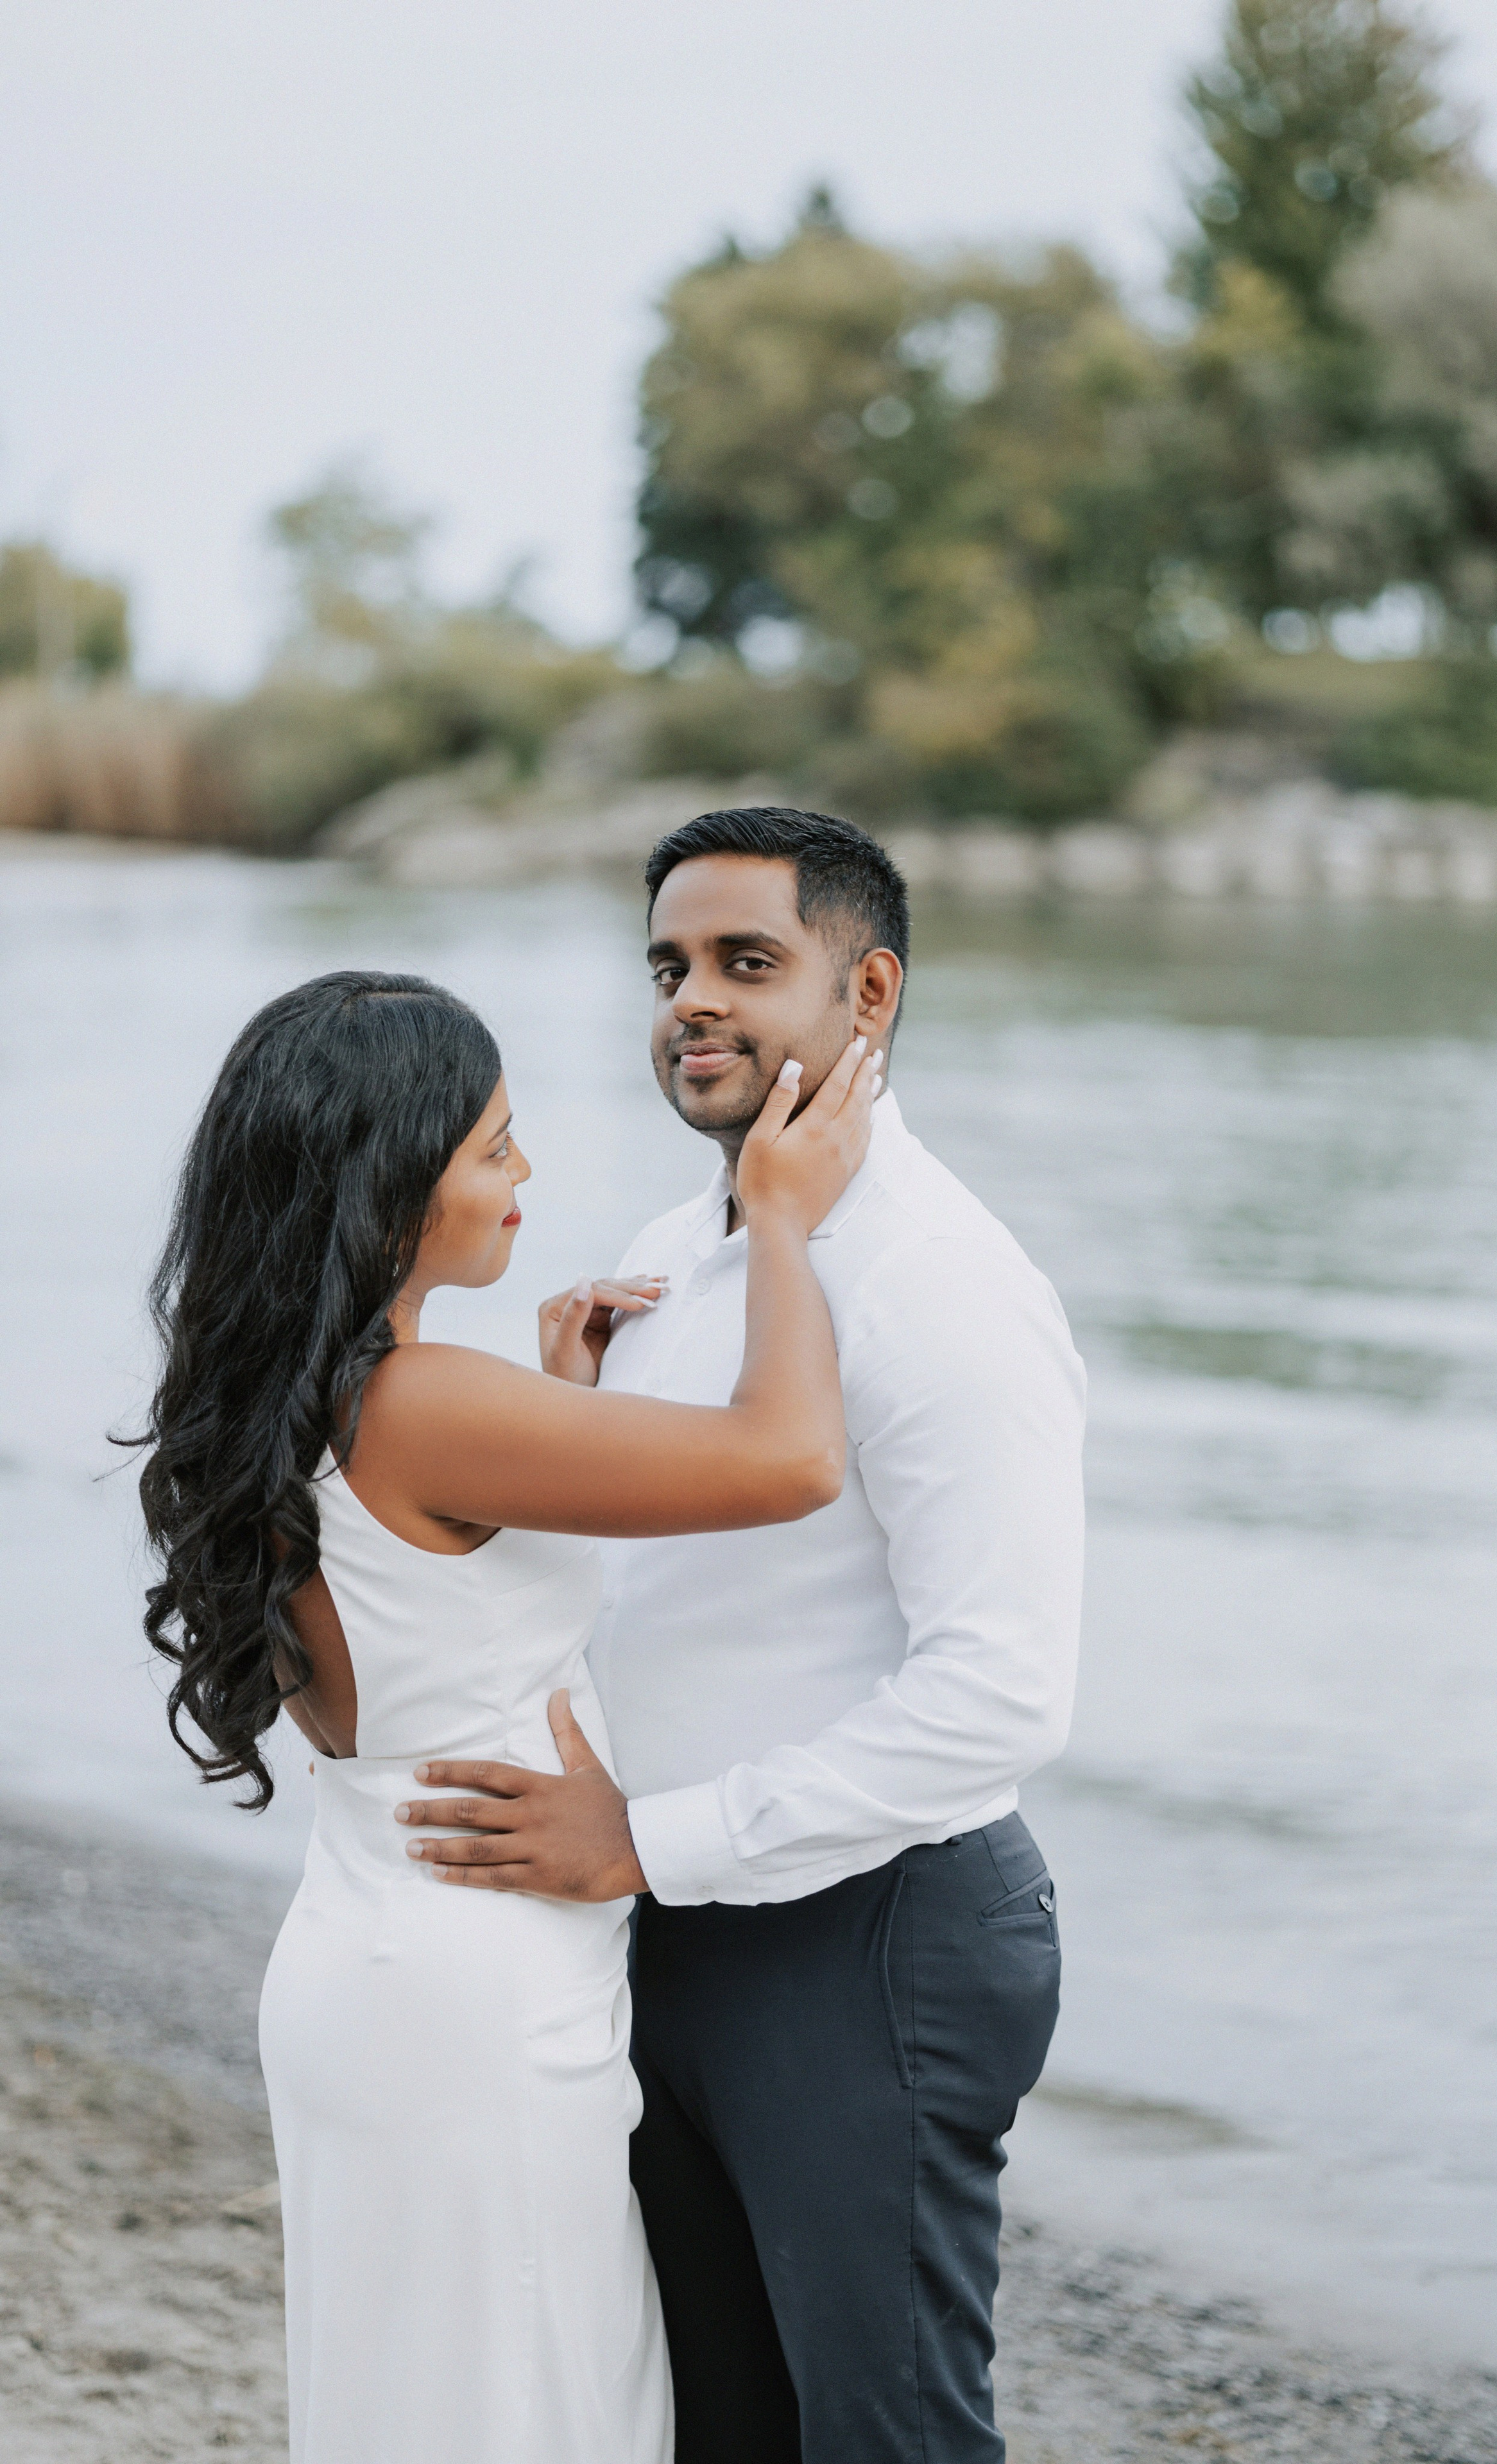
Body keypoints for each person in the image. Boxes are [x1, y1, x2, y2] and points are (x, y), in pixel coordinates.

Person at [396, 808, 1089, 2464]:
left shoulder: (938, 1284)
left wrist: (648, 1838)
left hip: (870, 1940)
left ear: (871, 997)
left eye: (746, 964)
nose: (691, 1002)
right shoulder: (663, 1256)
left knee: (886, 2435)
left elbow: (1003, 1696)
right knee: (713, 2428)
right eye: (669, 968)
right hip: (672, 1931)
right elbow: (648, 1597)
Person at [132, 966, 878, 2464]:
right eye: (492, 1145)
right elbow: (790, 1459)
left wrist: (558, 1403)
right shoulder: (424, 1405)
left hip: (379, 1950)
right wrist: (783, 1219)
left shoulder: (298, 1397)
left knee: (433, 2402)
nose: (522, 1174)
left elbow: (430, 1620)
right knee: (528, 2400)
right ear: (389, 1186)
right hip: (470, 1985)